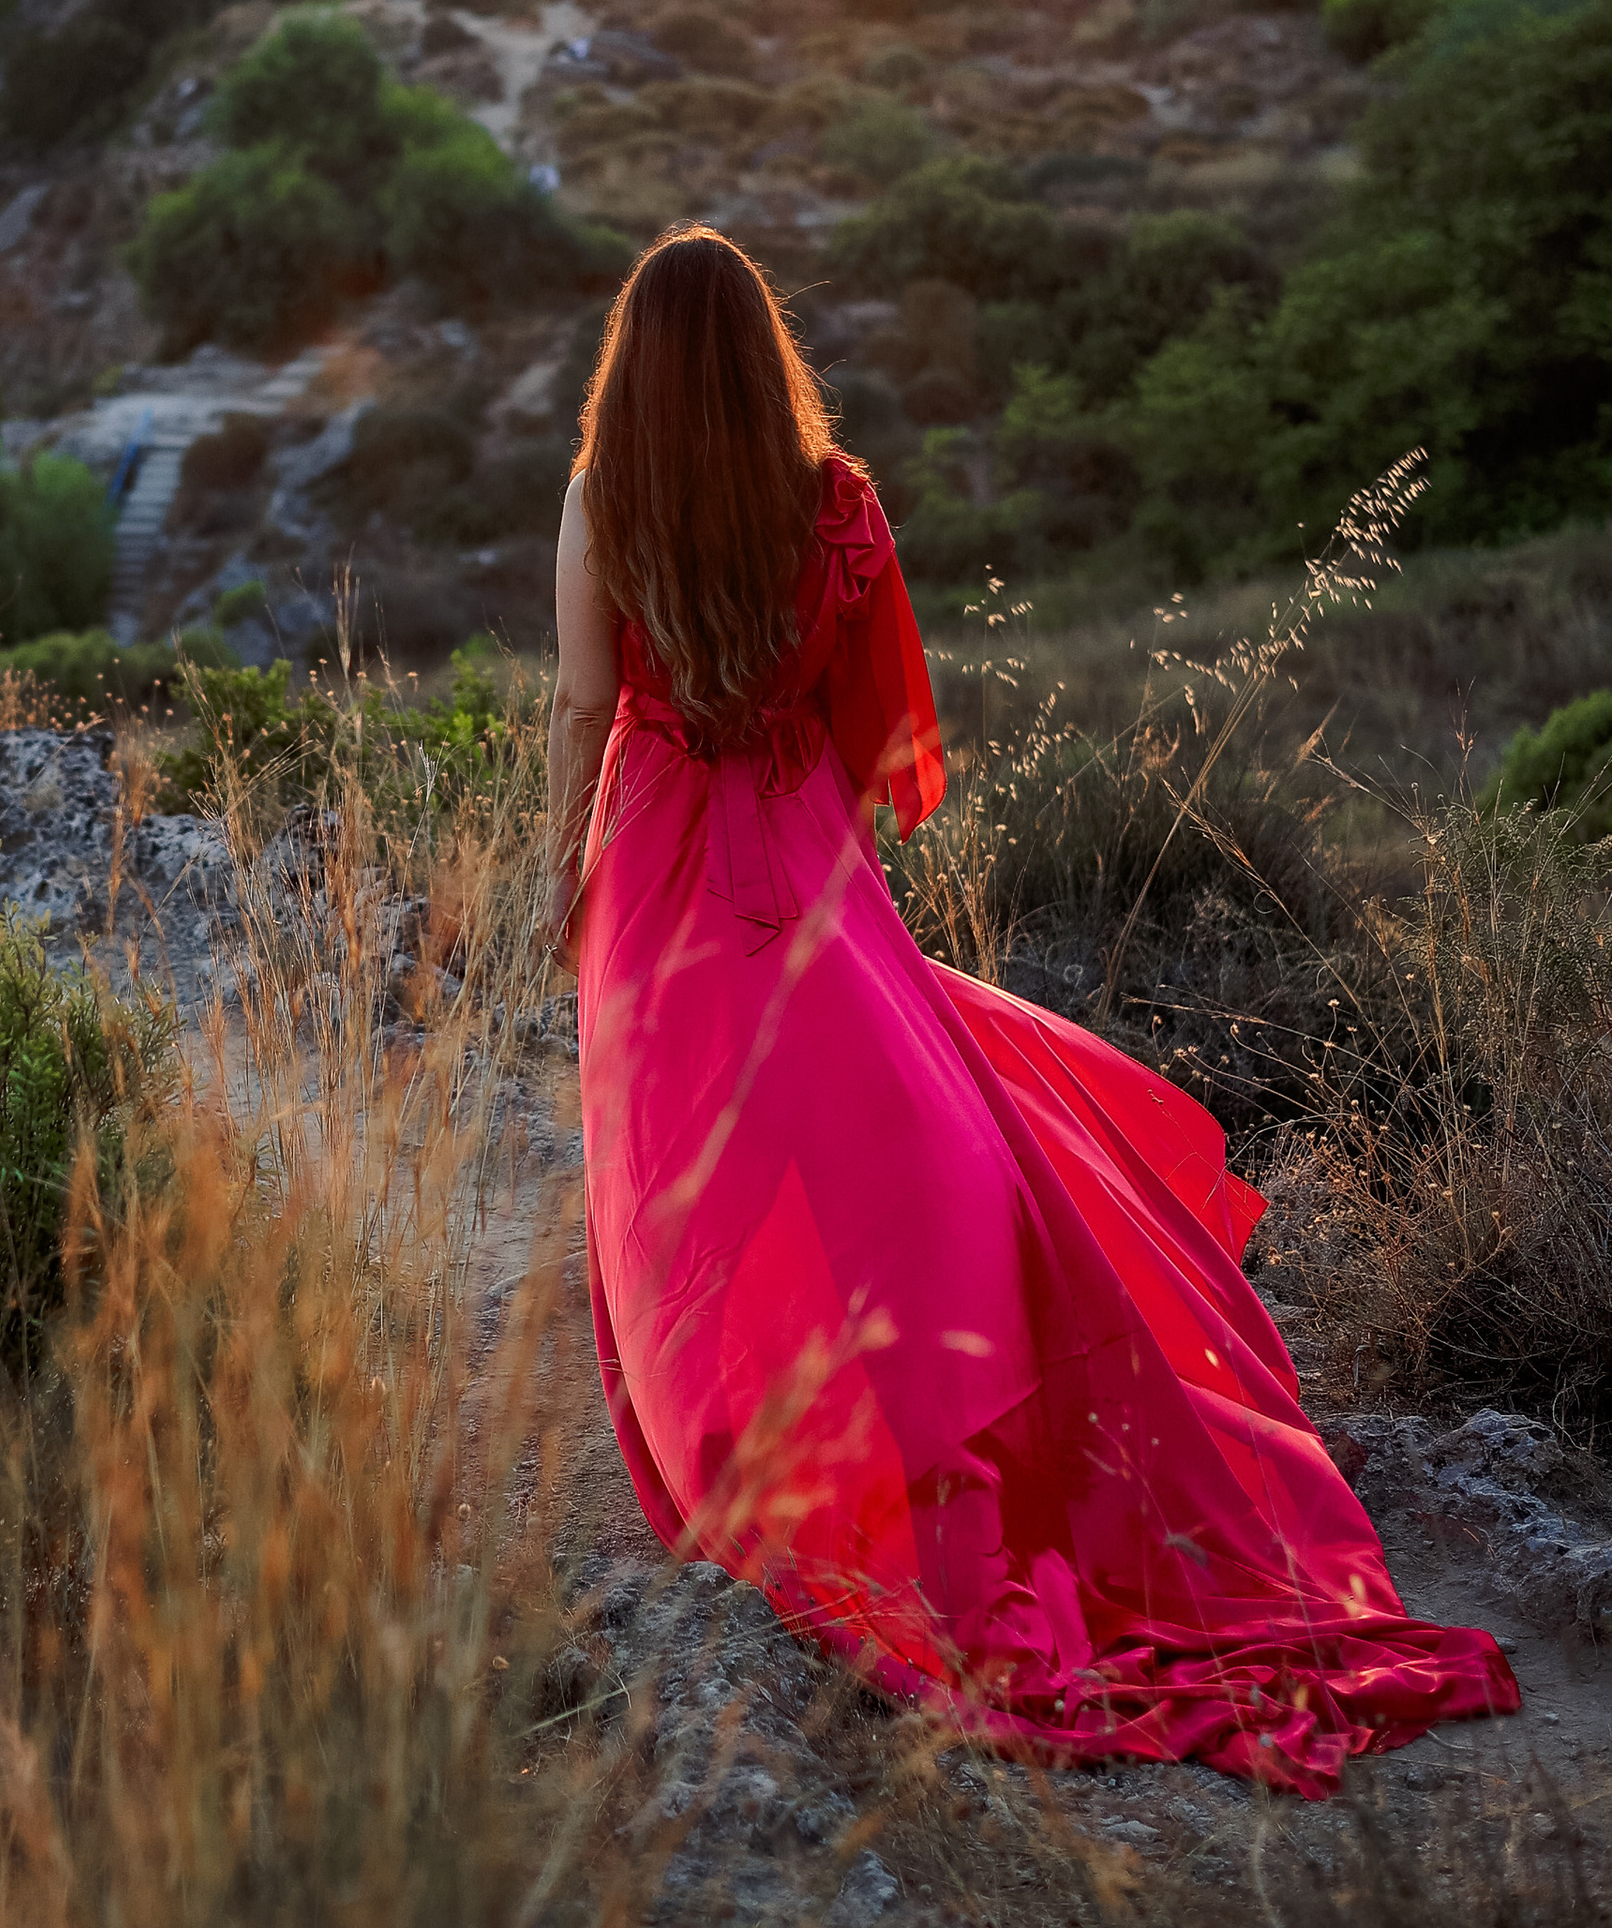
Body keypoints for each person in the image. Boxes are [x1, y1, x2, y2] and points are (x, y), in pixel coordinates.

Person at [547, 225, 1514, 1794]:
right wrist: (817, 855)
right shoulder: (832, 504)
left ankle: (734, 1452)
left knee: (689, 1174)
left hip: (655, 859)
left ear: (635, 361)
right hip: (804, 855)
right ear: (757, 356)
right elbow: (873, 739)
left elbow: (587, 710)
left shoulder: (603, 502)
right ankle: (910, 1436)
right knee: (889, 1153)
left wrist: (561, 874)